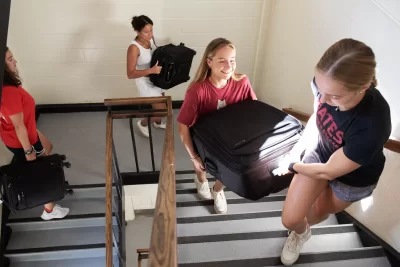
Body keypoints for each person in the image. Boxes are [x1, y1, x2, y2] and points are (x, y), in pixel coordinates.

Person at [273, 38, 391, 265]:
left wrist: (291, 166)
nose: (323, 99)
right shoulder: (325, 88)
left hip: (353, 179)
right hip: (321, 152)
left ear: (363, 88)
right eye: (320, 89)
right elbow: (318, 118)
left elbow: (328, 171)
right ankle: (300, 232)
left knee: (315, 213)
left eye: (334, 97)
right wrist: (297, 150)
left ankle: (301, 233)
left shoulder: (372, 124)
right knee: (291, 219)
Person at [177, 38, 257, 214]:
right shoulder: (197, 90)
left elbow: (254, 110)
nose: (229, 66)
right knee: (202, 167)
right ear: (209, 62)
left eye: (232, 60)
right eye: (222, 61)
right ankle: (201, 180)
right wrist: (194, 158)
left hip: (230, 138)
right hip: (202, 137)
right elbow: (183, 125)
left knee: (232, 170)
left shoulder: (242, 82)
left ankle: (218, 190)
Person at [1, 47, 70, 221]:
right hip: (23, 140)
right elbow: (18, 126)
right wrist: (29, 152)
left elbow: (16, 121)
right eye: (10, 59)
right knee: (40, 171)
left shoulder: (8, 87)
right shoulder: (8, 92)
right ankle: (49, 210)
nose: (15, 61)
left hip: (23, 133)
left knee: (48, 147)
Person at [126, 15, 167, 138]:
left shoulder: (149, 40)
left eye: (151, 30)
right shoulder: (133, 48)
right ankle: (143, 123)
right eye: (146, 32)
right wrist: (151, 70)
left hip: (155, 76)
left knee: (163, 100)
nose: (150, 34)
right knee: (163, 110)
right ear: (137, 31)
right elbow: (130, 73)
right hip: (144, 80)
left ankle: (158, 122)